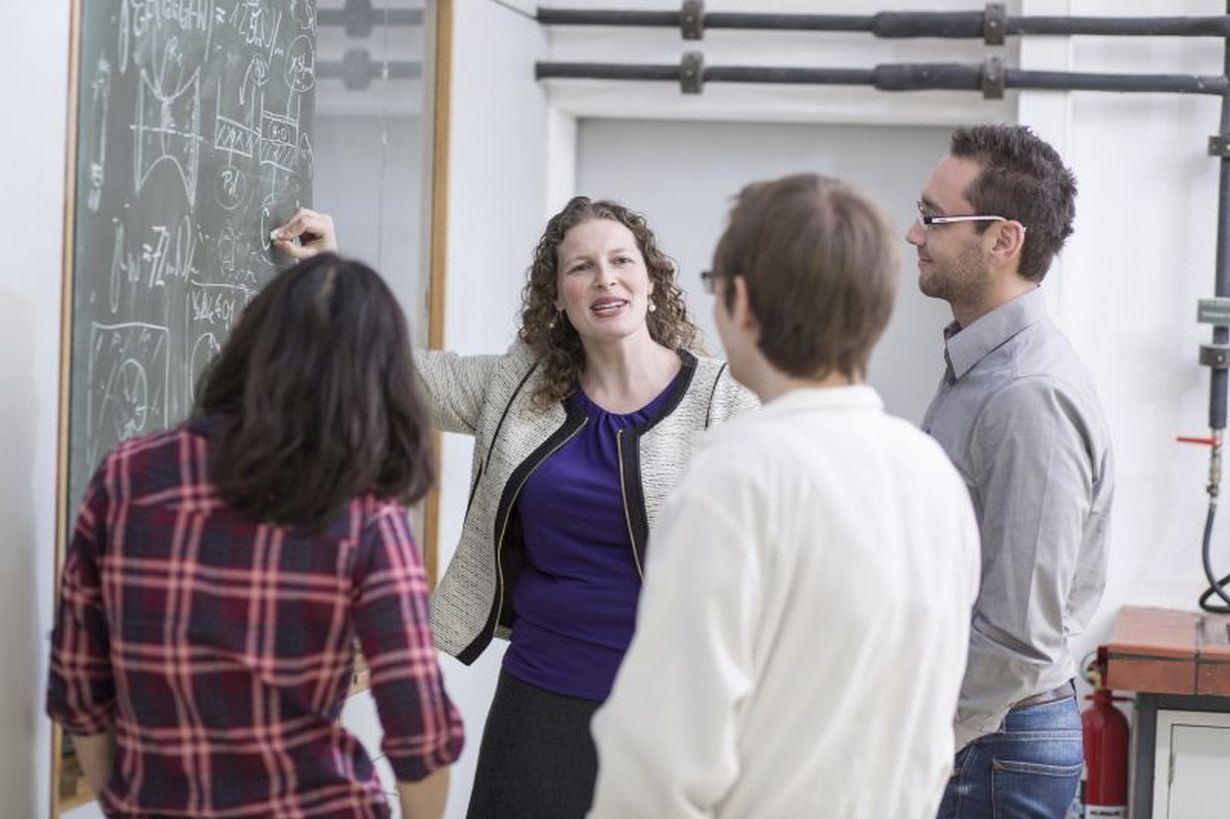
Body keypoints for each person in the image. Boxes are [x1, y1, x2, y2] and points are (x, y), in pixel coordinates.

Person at [272, 199, 757, 818]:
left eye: (620, 261)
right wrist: (329, 274)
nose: (604, 279)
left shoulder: (725, 402)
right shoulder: (519, 385)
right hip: (542, 697)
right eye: (581, 268)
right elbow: (390, 373)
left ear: (652, 282)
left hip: (675, 711)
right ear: (557, 298)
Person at [587, 173, 982, 818]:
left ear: (740, 303)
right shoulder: (932, 476)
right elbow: (930, 736)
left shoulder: (734, 480)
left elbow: (659, 761)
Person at [46, 254, 464, 819]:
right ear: (377, 383)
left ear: (251, 346)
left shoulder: (127, 477)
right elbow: (419, 734)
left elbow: (79, 691)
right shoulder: (364, 517)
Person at [907, 124, 1114, 817]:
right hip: (985, 739)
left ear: (1004, 240)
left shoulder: (1027, 395)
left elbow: (1019, 635)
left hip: (991, 745)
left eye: (934, 218)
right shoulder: (980, 367)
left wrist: (920, 732)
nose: (914, 234)